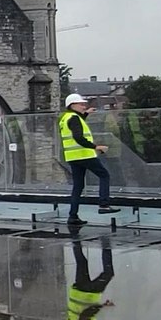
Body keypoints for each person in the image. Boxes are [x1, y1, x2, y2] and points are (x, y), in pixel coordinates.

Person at [60, 94, 121, 225]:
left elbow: (74, 126)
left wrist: (86, 114)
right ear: (72, 105)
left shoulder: (66, 117)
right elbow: (78, 137)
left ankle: (73, 216)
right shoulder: (75, 118)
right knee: (104, 175)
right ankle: (104, 205)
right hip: (84, 155)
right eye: (81, 104)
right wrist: (96, 146)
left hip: (72, 157)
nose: (84, 106)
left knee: (78, 186)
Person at [67, 226, 116, 320]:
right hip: (78, 290)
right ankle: (74, 237)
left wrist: (102, 306)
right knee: (81, 262)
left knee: (108, 274)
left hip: (88, 294)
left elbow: (86, 314)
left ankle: (105, 244)